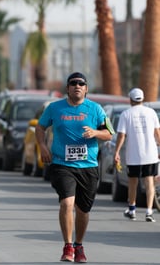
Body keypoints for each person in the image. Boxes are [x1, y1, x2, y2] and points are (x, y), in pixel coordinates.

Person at [35, 72, 114, 263]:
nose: (77, 86)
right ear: (67, 88)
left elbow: (109, 133)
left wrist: (95, 132)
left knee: (83, 210)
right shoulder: (55, 108)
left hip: (88, 166)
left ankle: (79, 245)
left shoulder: (95, 109)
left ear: (86, 89)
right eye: (73, 83)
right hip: (63, 164)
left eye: (81, 83)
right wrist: (43, 146)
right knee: (67, 203)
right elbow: (40, 127)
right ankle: (68, 246)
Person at [114, 88, 160, 222]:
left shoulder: (126, 114)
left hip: (133, 155)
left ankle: (132, 210)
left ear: (130, 99)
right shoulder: (151, 112)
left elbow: (121, 135)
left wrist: (117, 151)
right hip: (150, 154)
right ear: (143, 99)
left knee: (132, 182)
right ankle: (149, 211)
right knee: (149, 181)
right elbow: (157, 134)